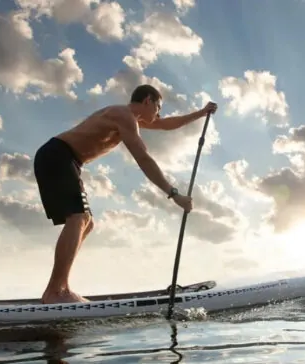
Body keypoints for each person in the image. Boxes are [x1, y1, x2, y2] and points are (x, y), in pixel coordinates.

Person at [33, 84, 218, 304]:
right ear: (147, 100)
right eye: (158, 107)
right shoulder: (123, 115)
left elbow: (167, 124)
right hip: (58, 156)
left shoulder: (130, 119)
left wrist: (202, 112)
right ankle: (56, 291)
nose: (158, 114)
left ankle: (58, 289)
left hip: (67, 160)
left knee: (86, 222)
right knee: (79, 218)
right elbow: (144, 159)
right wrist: (174, 194)